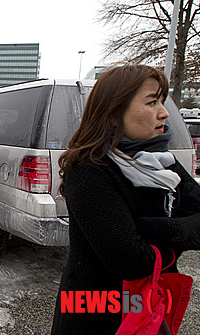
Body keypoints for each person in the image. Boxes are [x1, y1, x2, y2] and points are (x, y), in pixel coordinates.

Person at [51, 65, 200, 334]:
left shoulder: (163, 163)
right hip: (94, 308)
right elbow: (131, 261)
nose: (164, 112)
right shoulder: (89, 171)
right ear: (115, 111)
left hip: (146, 302)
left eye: (162, 101)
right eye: (152, 101)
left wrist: (161, 230)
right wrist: (179, 237)